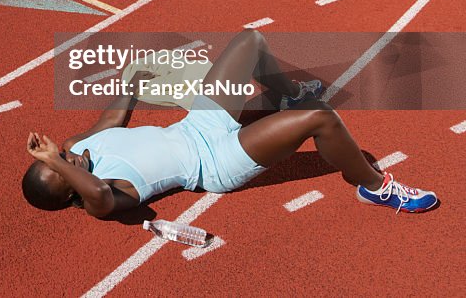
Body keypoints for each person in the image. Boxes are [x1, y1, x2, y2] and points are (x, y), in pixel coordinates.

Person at [23, 30, 438, 216]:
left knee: (250, 40)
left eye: (61, 153)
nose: (70, 156)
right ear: (67, 194)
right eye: (63, 166)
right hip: (214, 163)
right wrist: (60, 165)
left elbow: (110, 121)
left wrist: (133, 84)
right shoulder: (101, 198)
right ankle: (374, 187)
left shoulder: (81, 150)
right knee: (319, 117)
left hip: (195, 126)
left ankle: (283, 98)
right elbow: (95, 191)